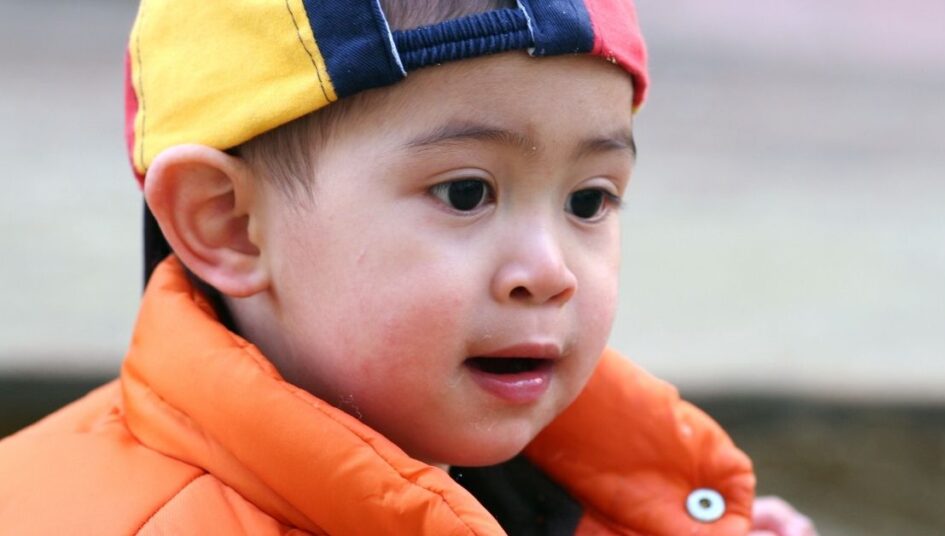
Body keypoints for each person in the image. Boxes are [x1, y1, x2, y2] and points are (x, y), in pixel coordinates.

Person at [0, 1, 814, 534]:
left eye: (590, 200)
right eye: (466, 192)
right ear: (232, 225)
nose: (549, 270)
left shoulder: (589, 489)